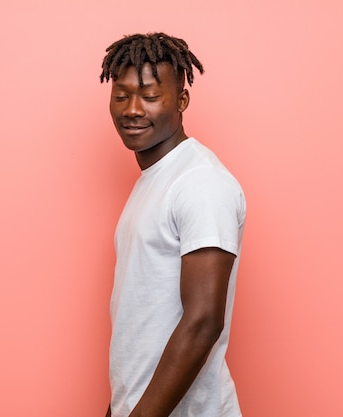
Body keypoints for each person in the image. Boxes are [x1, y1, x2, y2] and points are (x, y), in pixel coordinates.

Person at [100, 32, 246, 417]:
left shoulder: (200, 182)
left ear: (181, 101)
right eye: (121, 95)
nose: (132, 109)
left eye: (149, 96)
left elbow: (203, 321)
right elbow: (144, 318)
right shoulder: (155, 181)